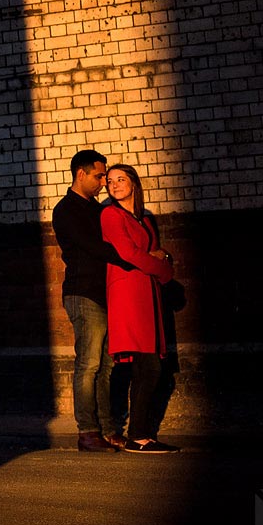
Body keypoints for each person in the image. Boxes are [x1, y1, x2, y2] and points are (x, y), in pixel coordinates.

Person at [100, 163, 179, 453]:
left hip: (148, 291)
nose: (115, 184)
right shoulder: (109, 214)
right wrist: (163, 271)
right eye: (110, 181)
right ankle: (138, 435)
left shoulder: (144, 218)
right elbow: (128, 253)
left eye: (121, 179)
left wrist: (160, 259)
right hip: (128, 292)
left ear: (134, 183)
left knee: (151, 365)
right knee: (149, 365)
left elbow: (157, 250)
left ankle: (140, 434)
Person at [52, 150, 121, 452]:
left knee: (106, 366)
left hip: (105, 292)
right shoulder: (66, 210)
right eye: (99, 176)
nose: (104, 182)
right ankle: (88, 432)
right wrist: (132, 257)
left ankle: (107, 429)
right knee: (89, 364)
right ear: (80, 174)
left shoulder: (97, 209)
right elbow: (94, 247)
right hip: (83, 293)